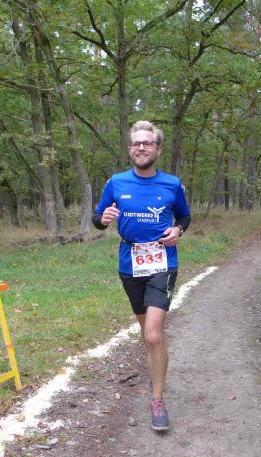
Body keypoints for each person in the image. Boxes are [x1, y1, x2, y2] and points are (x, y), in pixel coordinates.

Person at [92, 120, 191, 432]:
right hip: (130, 264)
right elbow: (97, 217)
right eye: (137, 143)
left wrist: (178, 230)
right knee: (148, 334)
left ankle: (157, 399)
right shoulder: (116, 183)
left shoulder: (171, 184)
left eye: (147, 143)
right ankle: (157, 366)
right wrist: (103, 219)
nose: (142, 147)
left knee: (152, 335)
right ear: (130, 149)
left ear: (158, 149)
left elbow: (184, 216)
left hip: (162, 262)